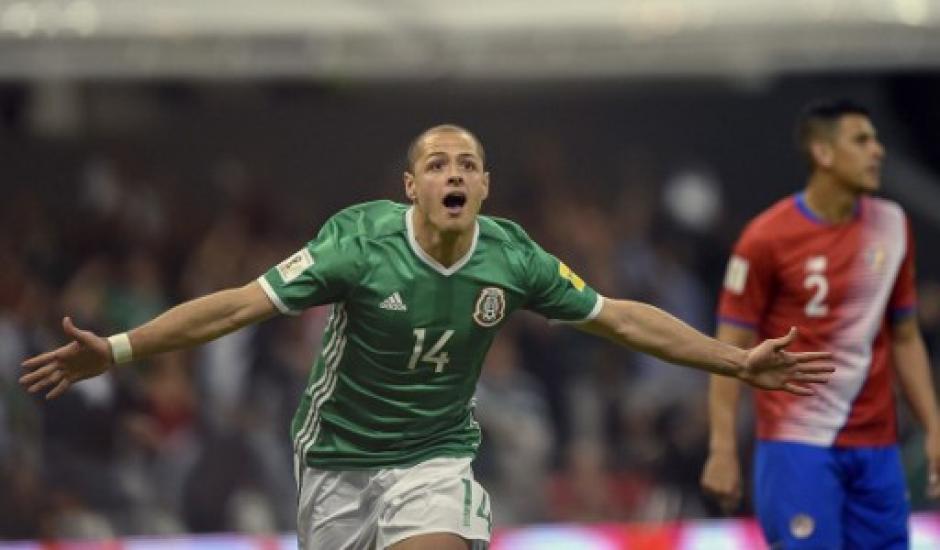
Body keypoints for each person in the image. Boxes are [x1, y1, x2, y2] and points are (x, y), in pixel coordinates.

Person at [21, 124, 832, 550]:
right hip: (336, 458)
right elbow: (236, 307)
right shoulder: (357, 244)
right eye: (438, 164)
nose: (454, 174)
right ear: (412, 185)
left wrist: (736, 359)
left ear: (484, 185)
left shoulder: (513, 258)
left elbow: (619, 316)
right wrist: (117, 350)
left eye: (467, 164)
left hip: (433, 458)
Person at [700, 99, 940, 549]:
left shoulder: (891, 226)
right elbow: (729, 349)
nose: (878, 151)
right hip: (797, 445)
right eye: (861, 140)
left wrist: (934, 426)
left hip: (877, 445)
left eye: (876, 140)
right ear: (823, 153)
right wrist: (723, 447)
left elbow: (905, 336)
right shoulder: (766, 239)